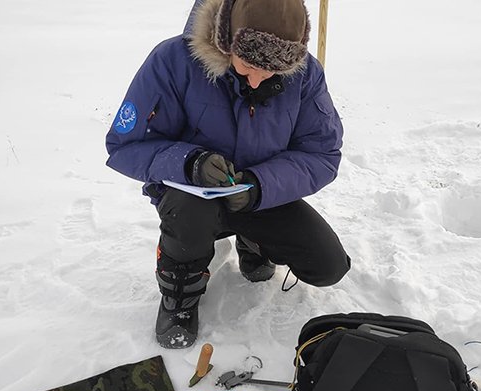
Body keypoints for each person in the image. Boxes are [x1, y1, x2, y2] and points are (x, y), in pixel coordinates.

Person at [105, 0, 351, 348]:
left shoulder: (305, 74)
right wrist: (190, 162)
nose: (258, 78)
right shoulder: (173, 61)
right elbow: (124, 146)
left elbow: (322, 154)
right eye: (249, 64)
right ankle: (180, 292)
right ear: (226, 39)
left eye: (273, 71)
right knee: (191, 217)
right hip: (191, 195)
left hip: (260, 195)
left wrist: (259, 186)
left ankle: (254, 242)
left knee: (328, 266)